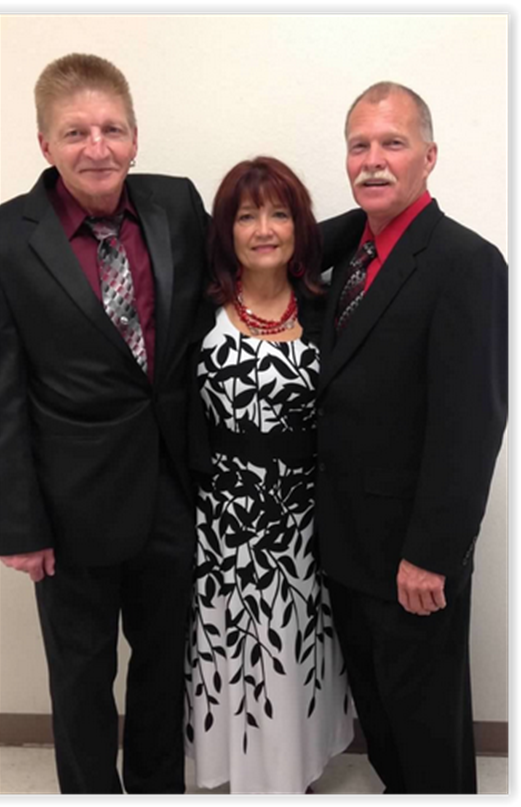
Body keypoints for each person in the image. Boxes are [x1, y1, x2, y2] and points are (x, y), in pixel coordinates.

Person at [0, 53, 207, 795]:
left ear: (135, 136)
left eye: (112, 129)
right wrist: (18, 523)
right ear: (44, 143)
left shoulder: (177, 203)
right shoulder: (6, 237)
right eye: (75, 132)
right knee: (82, 678)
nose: (97, 147)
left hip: (172, 489)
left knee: (164, 667)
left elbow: (259, 254)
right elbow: (1, 392)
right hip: (69, 507)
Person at [316, 82, 508, 795]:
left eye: (392, 143)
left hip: (410, 557)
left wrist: (430, 554)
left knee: (427, 733)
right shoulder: (352, 256)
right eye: (358, 145)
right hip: (345, 546)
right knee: (383, 721)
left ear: (428, 156)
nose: (372, 160)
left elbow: (472, 423)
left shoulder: (467, 263)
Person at [184, 157, 354, 794]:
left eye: (280, 214)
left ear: (300, 227)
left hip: (306, 519)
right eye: (247, 215)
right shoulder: (196, 310)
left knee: (295, 648)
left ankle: (292, 773)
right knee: (235, 649)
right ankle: (244, 774)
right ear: (224, 229)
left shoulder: (327, 306)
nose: (263, 229)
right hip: (222, 522)